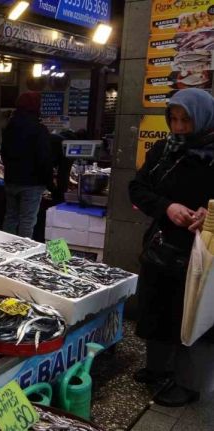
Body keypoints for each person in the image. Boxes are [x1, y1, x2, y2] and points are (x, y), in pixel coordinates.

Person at [129, 88, 214, 407]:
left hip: (204, 252)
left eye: (185, 121)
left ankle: (188, 383)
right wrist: (167, 207)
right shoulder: (164, 150)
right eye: (173, 119)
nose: (178, 127)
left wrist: (209, 214)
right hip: (163, 246)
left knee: (195, 315)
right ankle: (158, 368)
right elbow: (137, 188)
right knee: (158, 306)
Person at [1, 92, 51, 238]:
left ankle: (5, 247)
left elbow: (4, 154)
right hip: (32, 183)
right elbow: (44, 158)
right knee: (27, 221)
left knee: (10, 218)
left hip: (11, 181)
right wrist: (49, 182)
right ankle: (24, 249)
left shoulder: (9, 127)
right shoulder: (39, 129)